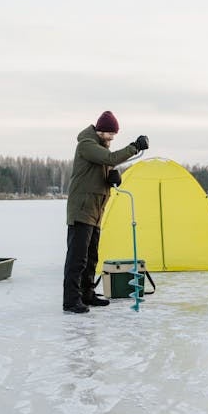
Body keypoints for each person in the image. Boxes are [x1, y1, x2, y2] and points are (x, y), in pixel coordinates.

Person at [63, 111, 149, 313]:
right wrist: (134, 147)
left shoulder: (99, 147)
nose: (112, 137)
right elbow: (111, 158)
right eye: (110, 133)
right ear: (100, 130)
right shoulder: (87, 144)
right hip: (82, 209)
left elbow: (103, 168)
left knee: (91, 257)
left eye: (114, 134)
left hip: (96, 210)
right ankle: (71, 300)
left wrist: (112, 180)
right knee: (77, 259)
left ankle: (87, 294)